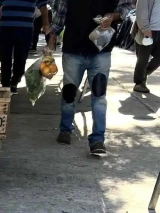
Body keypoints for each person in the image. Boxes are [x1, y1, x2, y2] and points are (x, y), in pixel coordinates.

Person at [47, 0, 133, 155]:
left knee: (99, 95)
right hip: (73, 48)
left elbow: (126, 6)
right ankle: (65, 129)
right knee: (69, 93)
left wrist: (113, 16)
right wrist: (52, 39)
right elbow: (60, 14)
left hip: (102, 50)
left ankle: (97, 139)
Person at [0, 1, 51, 94]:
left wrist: (46, 22)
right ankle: (5, 84)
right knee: (5, 58)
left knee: (21, 58)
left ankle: (14, 82)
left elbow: (42, 6)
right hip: (5, 29)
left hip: (25, 30)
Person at [133, 0, 160, 93]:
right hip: (147, 30)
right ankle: (139, 83)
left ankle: (145, 73)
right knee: (143, 59)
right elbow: (141, 11)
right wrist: (145, 28)